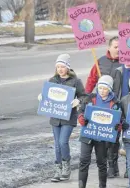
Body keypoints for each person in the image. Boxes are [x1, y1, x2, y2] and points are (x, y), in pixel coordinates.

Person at [37, 54, 85, 182]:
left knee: (63, 142)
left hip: (68, 117)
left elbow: (84, 96)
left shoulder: (75, 81)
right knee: (57, 144)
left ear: (68, 67)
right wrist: (42, 97)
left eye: (62, 66)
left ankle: (66, 165)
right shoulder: (52, 80)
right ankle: (58, 169)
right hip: (55, 117)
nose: (60, 69)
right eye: (58, 66)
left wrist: (78, 101)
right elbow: (48, 95)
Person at [85, 36, 121, 178]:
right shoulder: (100, 62)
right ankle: (106, 165)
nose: (118, 50)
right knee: (103, 137)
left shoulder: (127, 63)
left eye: (121, 47)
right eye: (116, 47)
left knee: (114, 136)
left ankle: (113, 165)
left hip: (118, 104)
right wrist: (86, 97)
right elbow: (91, 80)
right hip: (103, 104)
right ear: (109, 48)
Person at [78, 75, 121, 188]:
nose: (102, 91)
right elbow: (81, 110)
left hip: (102, 138)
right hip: (87, 135)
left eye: (105, 88)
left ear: (110, 89)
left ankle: (102, 186)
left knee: (102, 164)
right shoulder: (90, 98)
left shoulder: (115, 103)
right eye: (100, 88)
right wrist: (81, 118)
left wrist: (118, 126)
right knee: (83, 161)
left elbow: (119, 120)